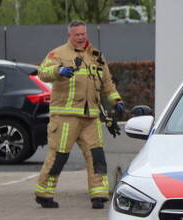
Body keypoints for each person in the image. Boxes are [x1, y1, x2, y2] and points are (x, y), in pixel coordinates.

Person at [34, 20, 124, 209]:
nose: (81, 37)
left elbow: (107, 83)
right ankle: (44, 193)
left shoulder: (96, 56)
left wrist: (117, 102)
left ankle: (98, 195)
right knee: (59, 155)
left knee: (96, 155)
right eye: (77, 34)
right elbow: (42, 72)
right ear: (70, 36)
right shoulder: (58, 54)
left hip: (91, 117)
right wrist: (59, 71)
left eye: (83, 34)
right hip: (65, 116)